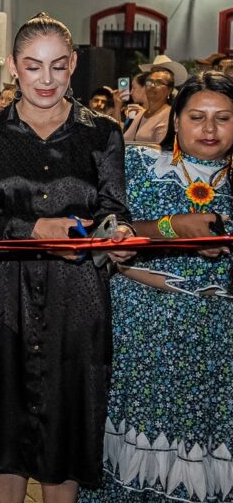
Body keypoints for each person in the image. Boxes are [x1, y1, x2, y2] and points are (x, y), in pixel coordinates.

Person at [0, 13, 134, 501]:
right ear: (13, 67)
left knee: (69, 425)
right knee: (6, 423)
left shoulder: (102, 132)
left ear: (73, 64)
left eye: (58, 66)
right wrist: (34, 227)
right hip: (2, 294)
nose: (47, 80)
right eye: (34, 67)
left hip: (77, 296)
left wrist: (111, 235)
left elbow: (114, 211)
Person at [78, 70, 233, 503]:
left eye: (223, 118)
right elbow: (104, 230)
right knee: (138, 444)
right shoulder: (139, 164)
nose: (209, 129)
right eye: (197, 116)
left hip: (219, 342)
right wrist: (173, 228)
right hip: (144, 332)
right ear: (176, 120)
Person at [122, 55, 187, 144]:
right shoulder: (141, 114)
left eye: (159, 82)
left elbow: (162, 152)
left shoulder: (170, 115)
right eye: (149, 81)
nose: (152, 85)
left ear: (170, 89)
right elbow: (125, 141)